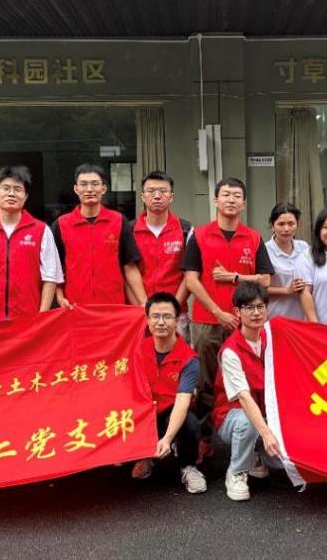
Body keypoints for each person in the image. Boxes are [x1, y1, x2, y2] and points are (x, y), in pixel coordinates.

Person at [182, 177, 273, 454]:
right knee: (206, 382)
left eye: (236, 196)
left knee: (251, 381)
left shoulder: (253, 237)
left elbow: (266, 280)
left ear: (243, 203)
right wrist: (218, 311)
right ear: (215, 200)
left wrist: (235, 277)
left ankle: (254, 440)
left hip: (245, 325)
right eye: (226, 195)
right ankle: (204, 440)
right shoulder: (199, 235)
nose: (231, 200)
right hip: (207, 321)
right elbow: (191, 280)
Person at [129, 292, 206, 494]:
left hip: (171, 413)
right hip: (143, 412)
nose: (161, 322)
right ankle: (144, 456)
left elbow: (182, 401)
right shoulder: (136, 350)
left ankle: (188, 467)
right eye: (155, 316)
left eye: (167, 316)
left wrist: (167, 437)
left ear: (176, 319)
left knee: (190, 424)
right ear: (147, 320)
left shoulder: (189, 358)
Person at [0, 166, 63, 323]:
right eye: (5, 188)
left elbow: (50, 276)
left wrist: (42, 316)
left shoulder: (41, 230)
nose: (11, 193)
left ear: (25, 196)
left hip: (29, 319)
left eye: (17, 189)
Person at [213, 282, 280, 501]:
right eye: (249, 308)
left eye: (260, 306)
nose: (256, 313)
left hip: (266, 412)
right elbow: (243, 397)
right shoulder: (230, 351)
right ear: (237, 312)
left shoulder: (273, 339)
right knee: (247, 422)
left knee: (284, 463)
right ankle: (237, 471)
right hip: (233, 416)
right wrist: (267, 433)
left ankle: (254, 454)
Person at [53, 164, 146, 308]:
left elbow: (129, 266)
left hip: (113, 307)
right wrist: (59, 297)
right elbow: (55, 268)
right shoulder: (61, 225)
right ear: (76, 189)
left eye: (95, 184)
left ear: (104, 189)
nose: (89, 189)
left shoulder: (118, 221)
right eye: (84, 184)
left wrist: (144, 302)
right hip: (75, 308)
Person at [131, 171, 192, 336]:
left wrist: (174, 307)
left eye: (163, 191)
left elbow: (190, 274)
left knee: (177, 352)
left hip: (177, 312)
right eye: (151, 191)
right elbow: (127, 272)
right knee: (141, 352)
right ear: (143, 196)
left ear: (171, 197)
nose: (157, 196)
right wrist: (143, 307)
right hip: (139, 312)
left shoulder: (186, 230)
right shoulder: (130, 230)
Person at [265, 202, 310, 320]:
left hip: (302, 316)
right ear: (272, 226)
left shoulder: (304, 247)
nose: (286, 229)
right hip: (276, 316)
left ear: (297, 224)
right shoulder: (264, 251)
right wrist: (287, 291)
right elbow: (259, 288)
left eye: (291, 224)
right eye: (281, 224)